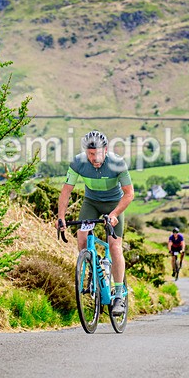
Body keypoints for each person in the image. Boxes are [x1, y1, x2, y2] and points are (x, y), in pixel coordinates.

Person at [57, 130, 134, 316]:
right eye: (90, 154)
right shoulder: (78, 163)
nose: (94, 158)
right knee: (82, 238)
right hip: (91, 202)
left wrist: (115, 214)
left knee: (114, 246)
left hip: (114, 204)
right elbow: (66, 190)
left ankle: (118, 296)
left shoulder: (117, 163)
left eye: (98, 153)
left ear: (105, 150)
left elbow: (129, 194)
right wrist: (60, 216)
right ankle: (93, 266)